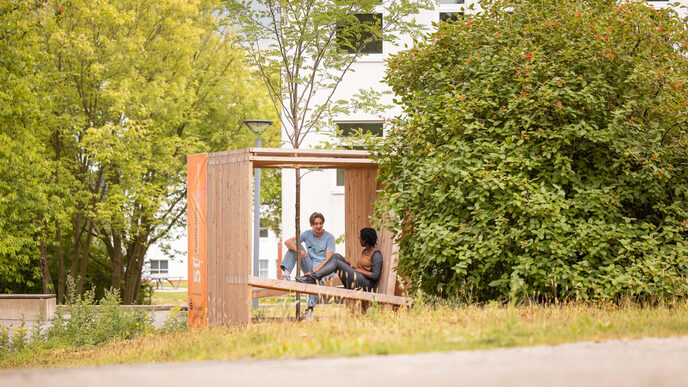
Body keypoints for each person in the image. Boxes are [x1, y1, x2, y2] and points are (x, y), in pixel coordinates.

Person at [280, 212, 335, 317]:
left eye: (320, 223)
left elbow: (329, 260)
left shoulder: (329, 238)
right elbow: (287, 242)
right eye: (316, 224)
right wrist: (300, 251)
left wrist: (314, 272)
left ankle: (310, 309)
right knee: (295, 244)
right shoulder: (307, 234)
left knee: (314, 279)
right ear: (311, 225)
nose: (318, 226)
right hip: (310, 264)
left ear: (323, 224)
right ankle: (286, 274)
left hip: (324, 269)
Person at [296, 227, 383, 293]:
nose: (359, 239)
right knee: (336, 256)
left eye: (361, 238)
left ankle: (313, 278)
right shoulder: (365, 251)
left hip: (366, 286)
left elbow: (375, 275)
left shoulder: (376, 255)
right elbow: (363, 269)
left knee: (337, 262)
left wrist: (356, 270)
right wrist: (352, 267)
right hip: (358, 279)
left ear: (366, 240)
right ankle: (314, 276)